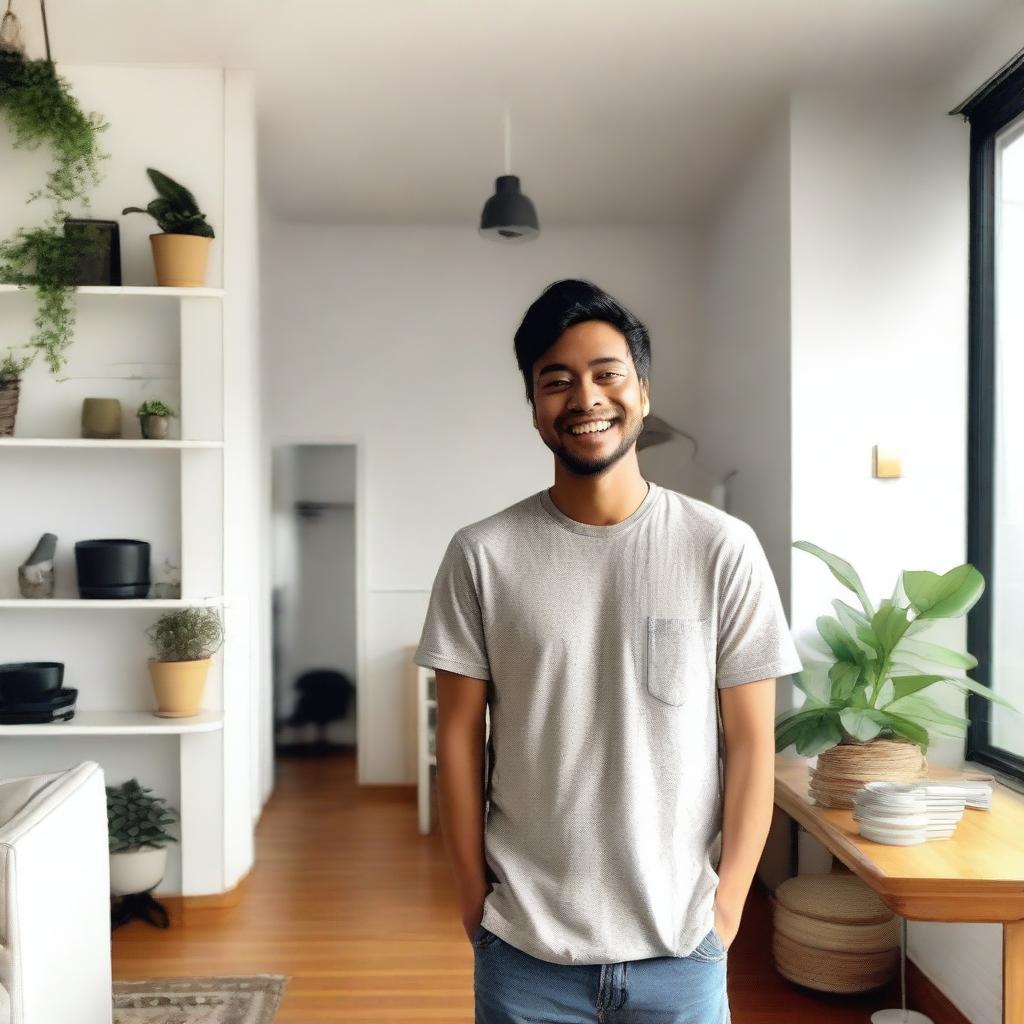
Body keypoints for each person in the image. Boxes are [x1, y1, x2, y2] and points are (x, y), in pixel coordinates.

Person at [414, 279, 803, 1024]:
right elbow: (459, 737)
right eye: (555, 381)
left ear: (643, 393)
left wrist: (726, 913)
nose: (584, 397)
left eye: (606, 373)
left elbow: (753, 743)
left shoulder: (721, 548)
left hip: (680, 947)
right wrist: (474, 901)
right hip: (525, 948)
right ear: (534, 410)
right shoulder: (482, 556)